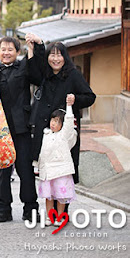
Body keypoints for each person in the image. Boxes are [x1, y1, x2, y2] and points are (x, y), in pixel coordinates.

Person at [25, 33, 96, 184]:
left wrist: (75, 100)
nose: (55, 59)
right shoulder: (45, 74)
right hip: (47, 132)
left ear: (65, 57)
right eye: (52, 55)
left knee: (64, 174)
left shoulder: (73, 75)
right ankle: (51, 207)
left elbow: (90, 97)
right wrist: (36, 46)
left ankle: (63, 208)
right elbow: (33, 71)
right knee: (47, 177)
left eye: (59, 55)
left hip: (64, 133)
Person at [0, 36, 43, 223]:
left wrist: (34, 48)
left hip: (21, 127)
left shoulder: (23, 67)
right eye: (3, 49)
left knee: (25, 170)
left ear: (17, 52)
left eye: (10, 49)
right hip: (1, 128)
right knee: (3, 170)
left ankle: (30, 209)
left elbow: (37, 73)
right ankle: (3, 209)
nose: (6, 52)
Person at [37, 96, 77, 225]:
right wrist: (39, 166)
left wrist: (69, 106)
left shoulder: (64, 136)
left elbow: (69, 123)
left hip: (61, 170)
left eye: (57, 121)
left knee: (61, 196)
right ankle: (50, 217)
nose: (53, 123)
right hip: (48, 171)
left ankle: (60, 217)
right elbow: (42, 153)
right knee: (49, 196)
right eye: (52, 120)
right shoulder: (46, 134)